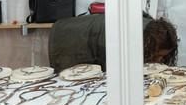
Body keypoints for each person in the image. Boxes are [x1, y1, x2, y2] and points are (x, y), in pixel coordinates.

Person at [48, 12, 178, 72]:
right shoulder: (129, 37)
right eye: (159, 55)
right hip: (69, 37)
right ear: (152, 45)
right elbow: (112, 68)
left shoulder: (147, 29)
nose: (161, 59)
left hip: (90, 33)